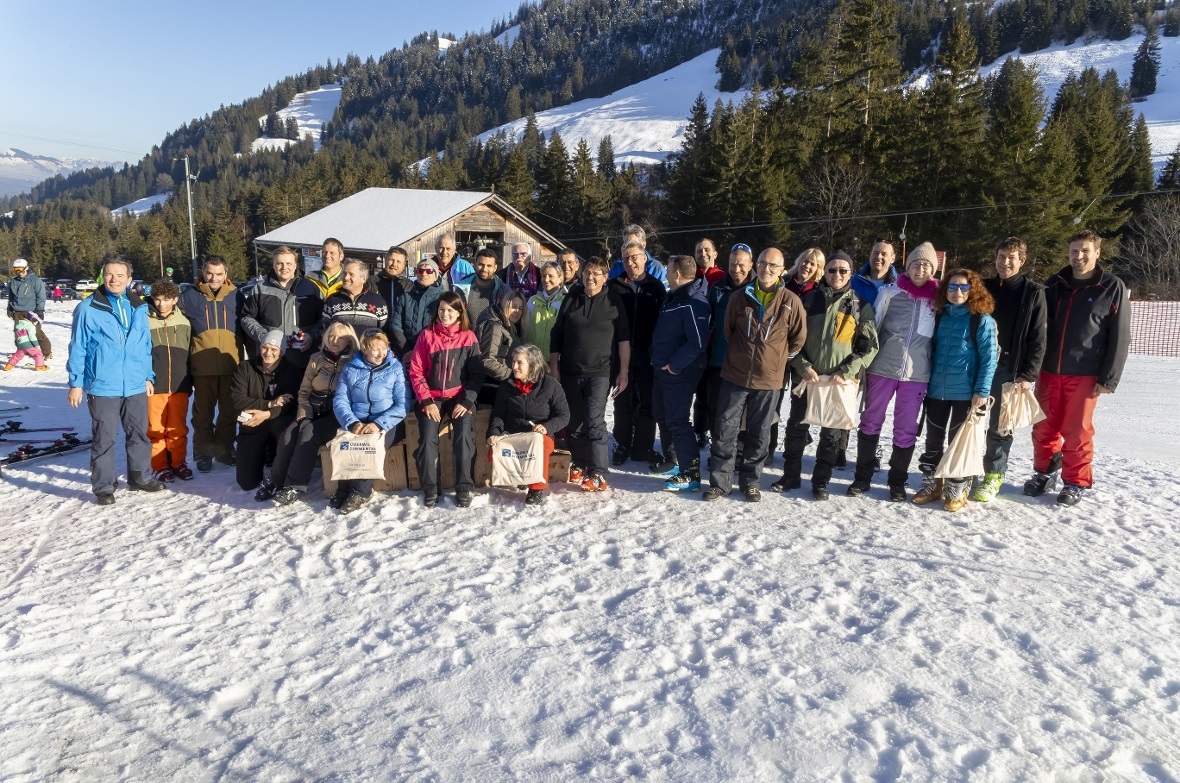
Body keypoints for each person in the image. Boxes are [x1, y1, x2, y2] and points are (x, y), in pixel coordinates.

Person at [1025, 229, 1130, 507]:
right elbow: (1036, 326)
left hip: (1085, 373)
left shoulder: (1111, 287)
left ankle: (1075, 482)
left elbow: (1120, 336)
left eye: (1085, 250)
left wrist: (1109, 378)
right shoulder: (1054, 284)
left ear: (1097, 252)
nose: (1079, 256)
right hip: (1048, 371)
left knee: (1077, 431)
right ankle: (1044, 473)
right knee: (1043, 427)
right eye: (1074, 250)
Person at [704, 247, 807, 502]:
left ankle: (750, 482)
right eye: (763, 263)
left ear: (782, 270)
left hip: (769, 379)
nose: (767, 269)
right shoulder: (739, 297)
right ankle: (720, 483)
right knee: (725, 429)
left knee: (759, 433)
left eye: (773, 265)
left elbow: (797, 339)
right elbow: (728, 331)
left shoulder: (791, 301)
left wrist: (776, 361)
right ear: (756, 265)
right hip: (735, 375)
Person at [774, 252, 879, 500]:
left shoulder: (859, 305)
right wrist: (802, 366)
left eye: (843, 271)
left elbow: (869, 347)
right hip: (807, 377)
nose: (837, 275)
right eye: (832, 270)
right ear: (825, 273)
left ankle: (821, 481)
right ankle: (790, 475)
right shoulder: (808, 300)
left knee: (831, 435)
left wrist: (847, 371)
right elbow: (790, 338)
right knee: (796, 428)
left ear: (851, 274)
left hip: (837, 382)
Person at [66, 258, 165, 505]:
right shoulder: (88, 308)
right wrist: (76, 383)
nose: (114, 279)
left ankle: (139, 477)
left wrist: (147, 376)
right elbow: (78, 347)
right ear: (103, 276)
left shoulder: (139, 307)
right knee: (105, 437)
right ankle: (104, 486)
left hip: (134, 383)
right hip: (103, 384)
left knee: (139, 434)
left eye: (120, 275)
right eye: (109, 274)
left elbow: (144, 346)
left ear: (129, 279)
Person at [850, 242, 940, 502]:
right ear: (907, 266)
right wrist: (864, 364)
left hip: (917, 374)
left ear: (932, 269)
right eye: (915, 263)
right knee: (870, 421)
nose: (920, 268)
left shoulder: (938, 299)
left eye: (925, 265)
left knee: (905, 429)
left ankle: (897, 482)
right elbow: (873, 328)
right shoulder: (890, 292)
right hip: (883, 368)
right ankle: (862, 477)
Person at [912, 269, 998, 511]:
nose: (957, 292)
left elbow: (989, 358)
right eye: (951, 287)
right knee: (933, 440)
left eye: (963, 287)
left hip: (965, 392)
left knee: (957, 443)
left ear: (973, 291)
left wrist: (981, 391)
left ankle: (957, 487)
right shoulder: (939, 316)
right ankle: (933, 484)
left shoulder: (981, 320)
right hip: (937, 389)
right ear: (944, 290)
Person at [549, 256, 631, 491]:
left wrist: (623, 372)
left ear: (605, 277)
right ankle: (580, 464)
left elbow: (623, 339)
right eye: (587, 273)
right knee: (574, 423)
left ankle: (599, 473)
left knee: (594, 421)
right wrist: (554, 365)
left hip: (600, 372)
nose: (591, 277)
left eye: (597, 273)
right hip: (570, 372)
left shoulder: (614, 301)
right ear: (582, 275)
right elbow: (557, 333)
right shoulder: (571, 298)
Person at [974, 237, 1047, 502]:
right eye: (1001, 256)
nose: (1005, 262)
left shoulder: (1033, 292)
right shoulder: (984, 286)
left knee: (1000, 425)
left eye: (1011, 258)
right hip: (980, 362)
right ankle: (967, 469)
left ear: (1022, 261)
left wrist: (1028, 374)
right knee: (970, 419)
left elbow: (1038, 337)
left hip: (1009, 366)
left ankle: (993, 475)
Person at [269, 322, 359, 507]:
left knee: (308, 434)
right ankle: (276, 482)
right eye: (331, 336)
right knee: (288, 435)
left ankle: (294, 485)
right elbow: (304, 390)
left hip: (336, 414)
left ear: (349, 341)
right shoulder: (316, 358)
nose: (335, 340)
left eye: (341, 338)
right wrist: (304, 412)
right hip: (312, 408)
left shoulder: (354, 362)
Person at [409, 292, 484, 508]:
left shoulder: (468, 337)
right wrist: (426, 400)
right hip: (432, 397)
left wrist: (467, 401)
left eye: (450, 310)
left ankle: (464, 487)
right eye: (441, 309)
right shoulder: (427, 336)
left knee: (463, 435)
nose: (445, 314)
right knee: (427, 439)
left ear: (460, 313)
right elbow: (416, 371)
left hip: (459, 397)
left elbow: (476, 375)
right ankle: (431, 488)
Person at [331, 329, 409, 514]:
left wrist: (379, 424)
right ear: (365, 349)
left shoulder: (395, 368)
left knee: (369, 445)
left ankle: (360, 492)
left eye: (384, 348)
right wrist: (351, 422)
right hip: (357, 419)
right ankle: (343, 489)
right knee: (345, 444)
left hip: (388, 422)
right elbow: (340, 400)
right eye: (376, 349)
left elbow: (403, 403)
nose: (381, 354)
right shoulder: (350, 369)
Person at [651, 255, 711, 492]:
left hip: (681, 372)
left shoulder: (694, 302)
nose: (665, 274)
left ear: (677, 273)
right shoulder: (675, 297)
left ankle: (691, 474)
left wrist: (675, 365)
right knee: (663, 415)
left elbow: (697, 342)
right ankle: (676, 462)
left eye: (667, 270)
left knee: (677, 420)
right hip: (662, 370)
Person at [610, 239, 669, 469]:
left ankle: (643, 446)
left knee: (647, 402)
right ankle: (622, 444)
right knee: (622, 401)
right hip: (620, 354)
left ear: (645, 258)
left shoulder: (655, 287)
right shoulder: (614, 287)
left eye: (635, 257)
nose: (631, 262)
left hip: (648, 354)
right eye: (626, 258)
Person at [179, 256, 242, 472]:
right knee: (202, 414)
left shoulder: (237, 296)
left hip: (230, 365)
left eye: (219, 274)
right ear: (203, 273)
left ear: (226, 274)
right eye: (209, 273)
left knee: (228, 412)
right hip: (202, 366)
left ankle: (224, 450)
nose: (214, 278)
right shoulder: (188, 297)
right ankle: (203, 453)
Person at [487, 344, 571, 505]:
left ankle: (536, 488)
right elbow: (498, 414)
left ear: (532, 365)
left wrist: (547, 427)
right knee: (492, 455)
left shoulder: (551, 385)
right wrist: (493, 434)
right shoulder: (507, 385)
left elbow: (564, 415)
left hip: (538, 435)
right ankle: (520, 476)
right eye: (513, 362)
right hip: (513, 434)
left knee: (541, 446)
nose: (514, 366)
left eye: (520, 363)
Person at [231, 329, 302, 496]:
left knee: (286, 432)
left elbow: (291, 404)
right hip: (253, 422)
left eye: (274, 349)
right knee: (246, 482)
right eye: (265, 347)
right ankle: (259, 455)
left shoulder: (291, 371)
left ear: (282, 352)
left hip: (278, 420)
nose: (268, 353)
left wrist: (267, 413)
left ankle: (276, 459)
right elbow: (237, 399)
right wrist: (269, 403)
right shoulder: (245, 368)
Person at [704, 244, 755, 445]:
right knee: (715, 406)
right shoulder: (718, 287)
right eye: (732, 264)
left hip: (746, 362)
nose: (736, 269)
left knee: (742, 410)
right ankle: (719, 447)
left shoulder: (758, 288)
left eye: (741, 265)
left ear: (751, 264)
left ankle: (740, 449)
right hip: (719, 358)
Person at [145, 279, 194, 482]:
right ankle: (159, 465)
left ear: (175, 299)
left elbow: (191, 351)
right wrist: (145, 377)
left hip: (180, 384)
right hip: (155, 385)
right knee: (155, 428)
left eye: (167, 300)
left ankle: (178, 461)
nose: (162, 304)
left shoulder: (184, 321)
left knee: (177, 428)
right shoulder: (144, 320)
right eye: (157, 300)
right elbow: (139, 353)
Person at [239, 245, 321, 366]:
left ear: (295, 264)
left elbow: (323, 319)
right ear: (273, 264)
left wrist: (312, 336)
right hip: (270, 361)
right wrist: (263, 335)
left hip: (302, 360)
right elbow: (246, 317)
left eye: (288, 263)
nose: (284, 267)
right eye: (279, 263)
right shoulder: (260, 289)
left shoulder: (310, 289)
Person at [475, 289, 526, 405]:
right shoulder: (493, 325)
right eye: (513, 306)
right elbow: (487, 361)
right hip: (491, 386)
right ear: (505, 304)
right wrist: (514, 376)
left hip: (503, 384)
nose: (517, 311)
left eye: (521, 308)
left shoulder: (511, 326)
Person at [390, 258, 446, 360]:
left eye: (429, 271)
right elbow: (395, 326)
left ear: (436, 275)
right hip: (406, 353)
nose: (424, 274)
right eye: (420, 271)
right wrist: (406, 350)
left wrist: (423, 350)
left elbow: (445, 327)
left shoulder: (443, 299)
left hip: (433, 353)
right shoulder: (405, 297)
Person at [317, 259, 388, 337]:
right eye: (344, 274)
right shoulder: (333, 300)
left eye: (351, 274)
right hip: (340, 349)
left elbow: (383, 331)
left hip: (365, 348)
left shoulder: (377, 301)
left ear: (363, 279)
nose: (346, 278)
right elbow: (325, 329)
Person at [6, 258, 51, 359]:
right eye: (17, 271)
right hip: (17, 311)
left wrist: (40, 310)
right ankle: (22, 352)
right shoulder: (13, 281)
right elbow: (11, 296)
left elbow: (41, 297)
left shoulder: (36, 281)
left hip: (31, 311)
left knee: (36, 333)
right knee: (19, 334)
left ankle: (47, 352)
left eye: (21, 270)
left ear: (27, 268)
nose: (19, 273)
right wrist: (10, 307)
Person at [523, 262, 566, 361]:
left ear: (560, 278)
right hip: (533, 359)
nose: (546, 280)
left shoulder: (565, 302)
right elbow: (525, 327)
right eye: (543, 276)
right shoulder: (533, 301)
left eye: (551, 276)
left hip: (556, 361)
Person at [463, 247, 510, 325]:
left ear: (495, 268)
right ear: (475, 264)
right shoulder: (462, 288)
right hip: (468, 336)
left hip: (494, 336)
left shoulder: (505, 292)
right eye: (481, 264)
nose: (484, 269)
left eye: (489, 266)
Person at [375, 246, 413, 334]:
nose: (394, 264)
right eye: (391, 260)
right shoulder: (372, 281)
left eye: (398, 262)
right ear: (385, 260)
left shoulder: (409, 285)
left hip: (400, 334)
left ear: (404, 265)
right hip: (377, 333)